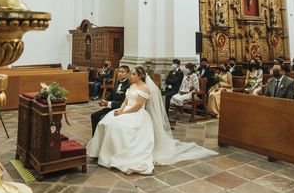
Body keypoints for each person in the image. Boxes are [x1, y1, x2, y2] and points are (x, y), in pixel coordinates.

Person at [87, 66, 217, 175]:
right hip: (125, 110)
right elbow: (126, 101)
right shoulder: (131, 86)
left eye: (133, 74)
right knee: (106, 122)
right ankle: (104, 151)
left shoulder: (144, 88)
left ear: (140, 76)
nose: (131, 76)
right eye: (131, 73)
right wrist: (120, 110)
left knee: (118, 127)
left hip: (136, 114)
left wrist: (124, 112)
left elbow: (137, 106)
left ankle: (119, 154)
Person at [91, 65, 130, 135]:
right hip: (111, 107)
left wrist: (108, 103)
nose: (120, 73)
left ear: (127, 74)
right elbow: (112, 95)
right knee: (94, 116)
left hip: (120, 109)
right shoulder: (117, 82)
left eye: (122, 72)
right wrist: (104, 100)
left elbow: (123, 102)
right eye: (119, 72)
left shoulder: (129, 85)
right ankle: (95, 137)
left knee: (103, 119)